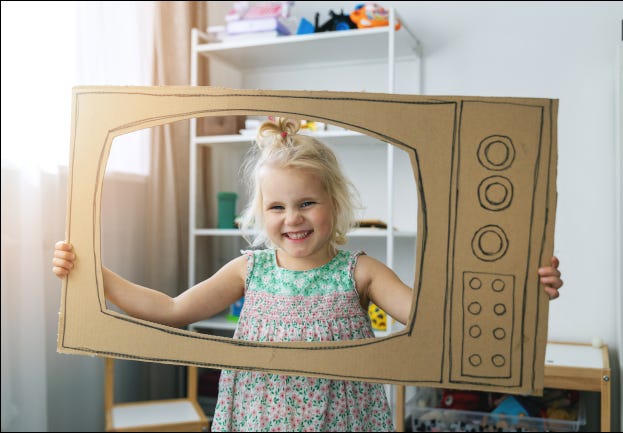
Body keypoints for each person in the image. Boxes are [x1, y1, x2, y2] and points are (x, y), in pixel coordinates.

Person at [52, 117, 563, 432]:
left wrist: (521, 288)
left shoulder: (360, 271)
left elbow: (438, 319)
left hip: (341, 420)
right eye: (276, 206)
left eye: (307, 203)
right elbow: (169, 309)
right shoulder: (248, 270)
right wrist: (92, 275)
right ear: (259, 214)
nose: (292, 218)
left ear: (335, 205)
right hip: (257, 419)